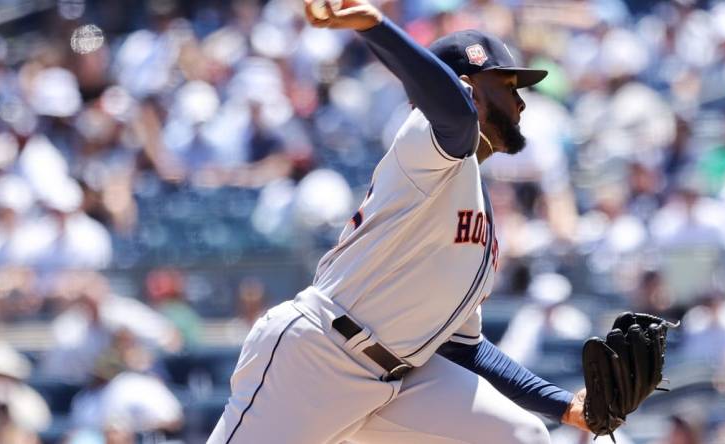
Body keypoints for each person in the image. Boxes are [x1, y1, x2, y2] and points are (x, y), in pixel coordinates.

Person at [209, 1, 588, 442]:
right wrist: (377, 29)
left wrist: (564, 406)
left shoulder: (478, 212)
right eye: (508, 85)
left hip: (401, 381)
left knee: (523, 436)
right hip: (317, 356)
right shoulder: (421, 140)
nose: (522, 102)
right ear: (468, 91)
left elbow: (465, 349)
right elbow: (454, 117)